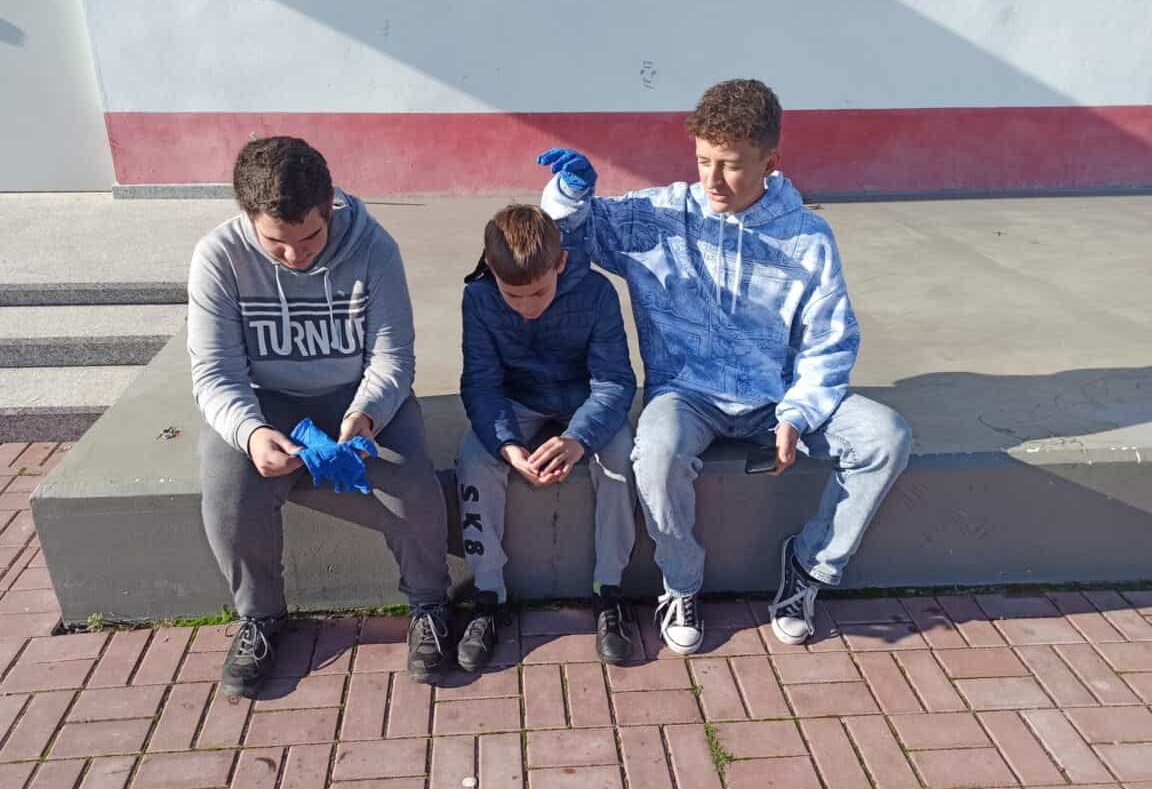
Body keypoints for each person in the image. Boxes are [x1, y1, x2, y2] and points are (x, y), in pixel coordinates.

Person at [539, 79, 912, 654]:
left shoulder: (808, 238)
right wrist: (569, 193)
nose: (713, 180)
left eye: (731, 165)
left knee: (885, 437)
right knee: (655, 453)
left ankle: (808, 568)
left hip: (778, 395)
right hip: (686, 395)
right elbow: (570, 235)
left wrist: (796, 414)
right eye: (703, 161)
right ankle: (682, 583)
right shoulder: (661, 216)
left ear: (770, 162)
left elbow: (829, 341)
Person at [187, 136, 452, 694]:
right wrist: (252, 434)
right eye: (276, 243)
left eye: (309, 237)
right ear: (248, 216)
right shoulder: (218, 257)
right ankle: (261, 616)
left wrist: (366, 416)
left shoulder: (375, 247)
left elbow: (393, 358)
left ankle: (429, 605)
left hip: (359, 399)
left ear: (329, 205)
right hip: (268, 404)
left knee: (413, 489)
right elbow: (214, 374)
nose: (295, 255)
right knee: (228, 487)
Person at [457, 204, 639, 668]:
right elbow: (481, 384)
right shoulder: (478, 298)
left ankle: (609, 589)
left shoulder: (597, 293)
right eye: (512, 296)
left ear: (560, 263)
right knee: (475, 458)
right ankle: (489, 595)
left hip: (583, 401)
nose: (526, 307)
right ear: (491, 269)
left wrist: (578, 438)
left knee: (620, 455)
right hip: (516, 402)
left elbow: (615, 382)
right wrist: (508, 447)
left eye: (537, 292)